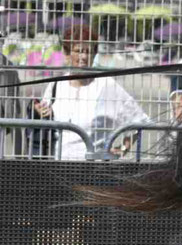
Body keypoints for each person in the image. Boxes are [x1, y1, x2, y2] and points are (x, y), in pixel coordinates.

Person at [33, 26, 149, 160]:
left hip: (94, 171)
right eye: (78, 51)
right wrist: (39, 111)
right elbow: (44, 117)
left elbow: (139, 120)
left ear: (94, 54)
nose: (83, 57)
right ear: (67, 54)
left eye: (88, 52)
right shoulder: (56, 85)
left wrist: (122, 149)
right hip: (57, 167)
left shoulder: (107, 85)